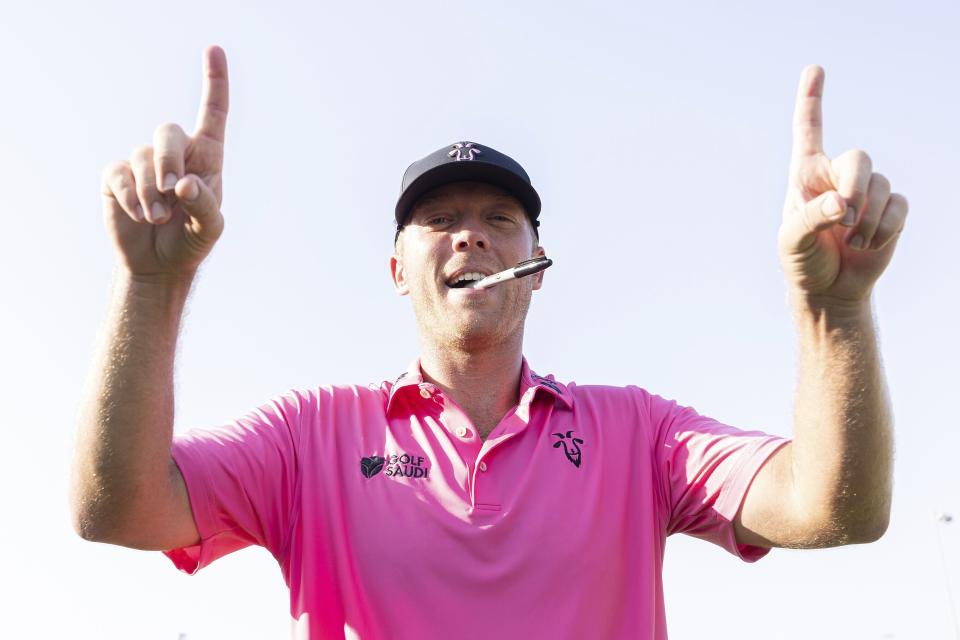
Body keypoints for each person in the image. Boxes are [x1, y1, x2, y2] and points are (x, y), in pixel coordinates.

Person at [70, 45, 908, 639]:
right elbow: (118, 509)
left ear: (537, 267)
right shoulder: (309, 437)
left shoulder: (640, 435)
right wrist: (150, 287)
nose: (470, 238)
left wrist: (832, 311)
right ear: (397, 269)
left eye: (500, 221)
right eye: (439, 221)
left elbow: (834, 507)